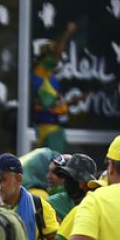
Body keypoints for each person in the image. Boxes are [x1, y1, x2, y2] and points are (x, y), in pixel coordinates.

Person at [31, 21, 78, 153]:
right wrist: (68, 33)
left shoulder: (50, 77)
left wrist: (73, 102)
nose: (59, 56)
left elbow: (53, 104)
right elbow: (57, 52)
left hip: (55, 127)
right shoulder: (39, 74)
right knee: (53, 166)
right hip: (48, 129)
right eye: (53, 55)